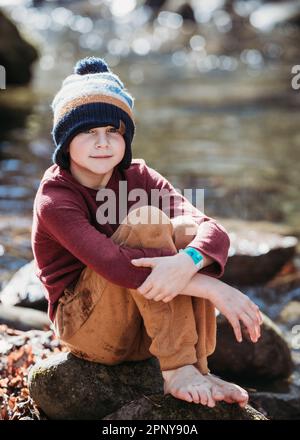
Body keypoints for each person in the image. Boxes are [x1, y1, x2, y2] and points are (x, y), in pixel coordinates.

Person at [31, 56, 263, 409]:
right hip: (89, 327)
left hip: (143, 327)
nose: (103, 143)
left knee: (185, 230)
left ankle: (197, 367)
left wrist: (191, 258)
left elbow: (213, 232)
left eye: (113, 131)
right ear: (65, 140)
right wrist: (208, 285)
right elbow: (115, 266)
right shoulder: (55, 198)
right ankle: (178, 369)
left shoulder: (139, 176)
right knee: (148, 221)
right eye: (88, 132)